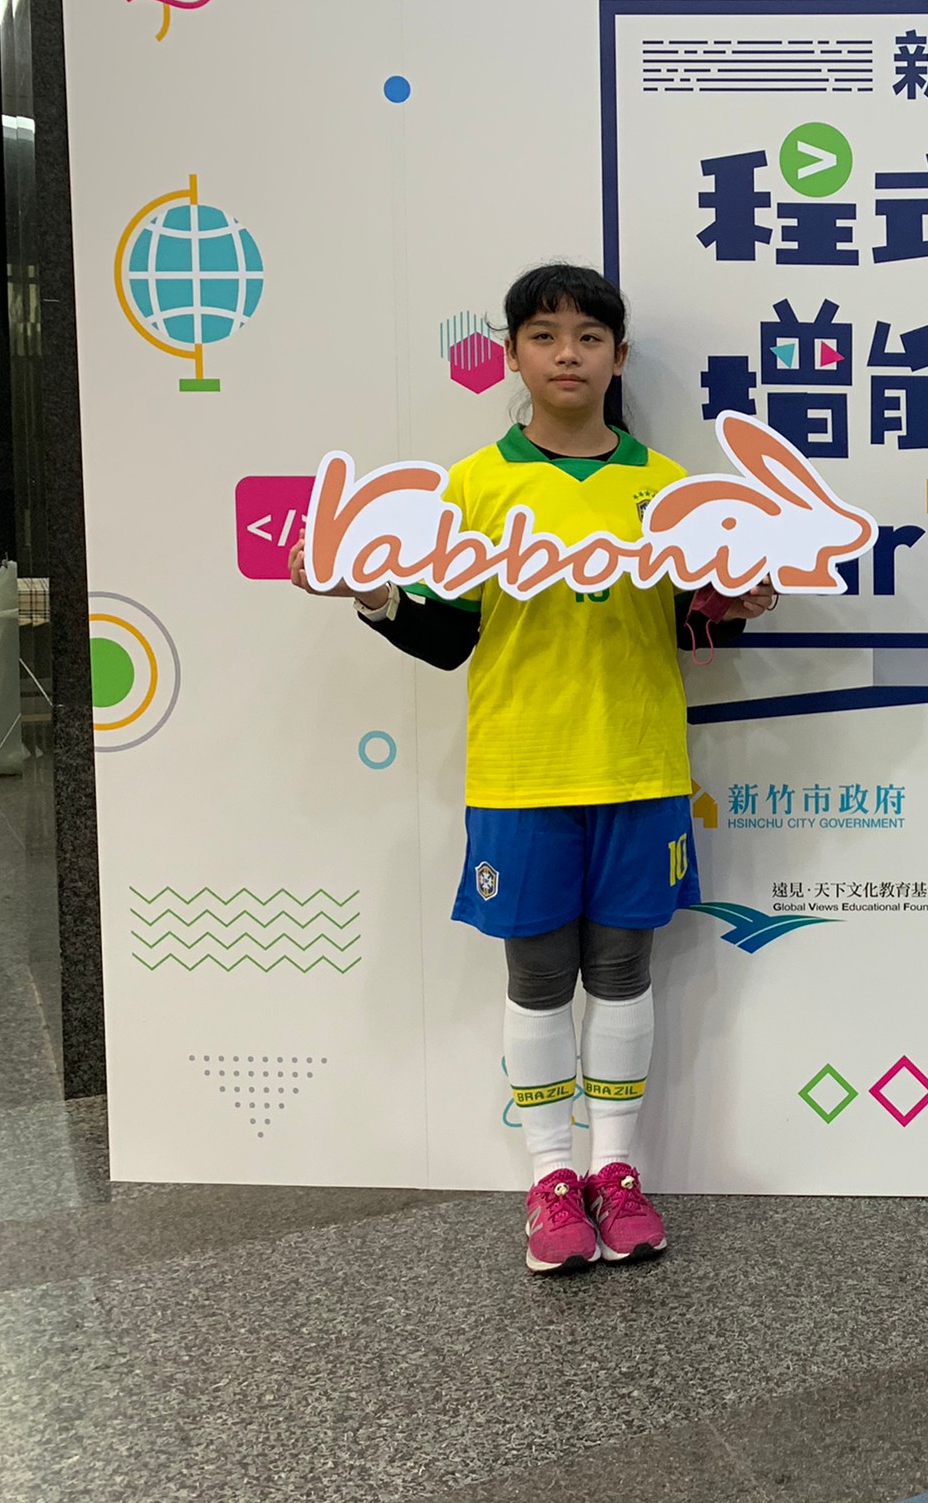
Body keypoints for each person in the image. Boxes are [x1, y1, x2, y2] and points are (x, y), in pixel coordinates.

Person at [290, 263, 774, 1274]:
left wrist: (733, 605)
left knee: (625, 974)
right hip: (520, 775)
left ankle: (617, 1172)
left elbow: (689, 622)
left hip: (639, 769)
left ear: (618, 357)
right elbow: (448, 640)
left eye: (589, 337)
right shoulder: (474, 485)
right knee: (540, 978)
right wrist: (373, 596)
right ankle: (551, 1179)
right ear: (512, 354)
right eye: (545, 336)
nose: (568, 354)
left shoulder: (668, 487)